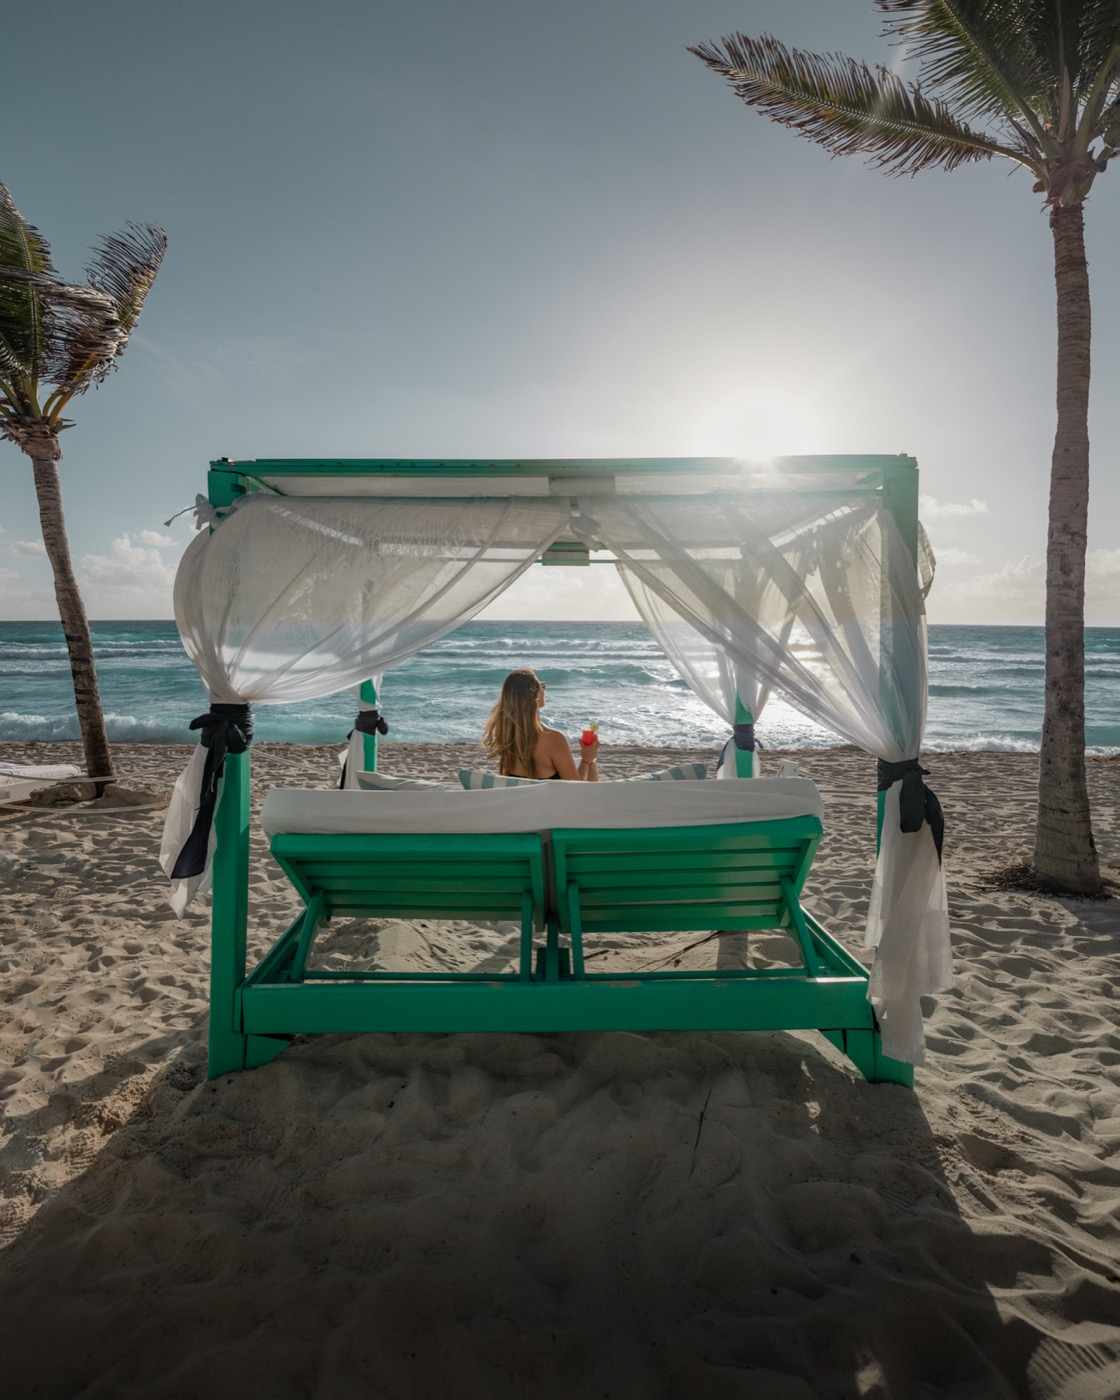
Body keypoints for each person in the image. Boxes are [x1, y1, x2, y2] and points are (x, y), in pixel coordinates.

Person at [482, 668, 599, 781]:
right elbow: (576, 790)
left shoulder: (506, 736)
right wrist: (587, 760)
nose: (544, 689)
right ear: (535, 696)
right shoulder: (553, 739)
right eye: (542, 686)